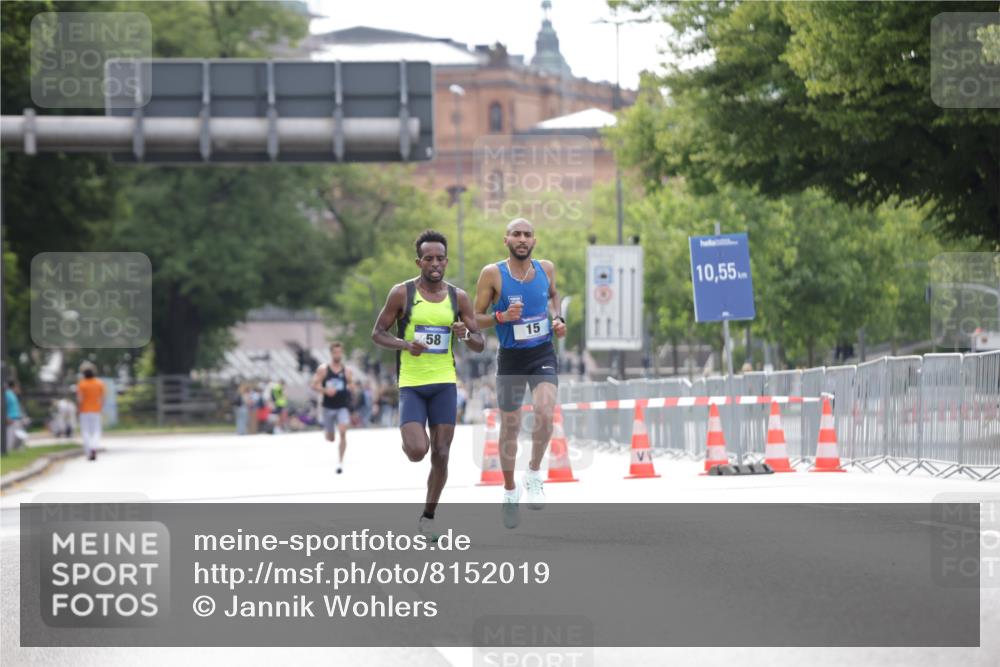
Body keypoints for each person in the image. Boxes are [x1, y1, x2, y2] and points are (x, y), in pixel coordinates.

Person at [372, 229, 484, 536]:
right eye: (428, 258)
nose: (434, 263)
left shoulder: (458, 297)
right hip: (411, 383)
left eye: (439, 258)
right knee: (417, 451)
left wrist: (466, 335)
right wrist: (405, 345)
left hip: (444, 382)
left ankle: (429, 516)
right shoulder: (402, 293)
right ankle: (409, 436)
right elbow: (377, 333)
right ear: (419, 261)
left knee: (442, 453)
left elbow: (479, 342)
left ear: (446, 261)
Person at [474, 218, 567, 528]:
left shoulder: (546, 268)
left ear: (534, 241)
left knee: (544, 412)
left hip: (542, 352)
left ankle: (535, 474)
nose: (522, 239)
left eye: (528, 234)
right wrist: (500, 316)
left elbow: (555, 296)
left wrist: (559, 318)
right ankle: (510, 491)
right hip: (511, 358)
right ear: (507, 240)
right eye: (516, 234)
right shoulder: (492, 274)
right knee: (510, 427)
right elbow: (475, 318)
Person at [311, 342, 353, 473]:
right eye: (335, 352)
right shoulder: (323, 369)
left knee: (342, 431)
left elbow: (352, 386)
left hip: (342, 406)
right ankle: (328, 431)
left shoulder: (347, 371)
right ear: (331, 353)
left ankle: (340, 462)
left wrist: (348, 388)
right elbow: (314, 385)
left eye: (340, 352)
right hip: (328, 407)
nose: (338, 355)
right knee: (331, 438)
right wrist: (325, 390)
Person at [76, 362, 106, 461]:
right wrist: (101, 408)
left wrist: (78, 409)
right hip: (96, 410)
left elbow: (80, 399)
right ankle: (94, 448)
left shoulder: (81, 384)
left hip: (84, 411)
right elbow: (103, 398)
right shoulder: (99, 383)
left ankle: (89, 451)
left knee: (86, 431)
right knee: (96, 431)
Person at [5, 380, 25, 451]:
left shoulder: (13, 395)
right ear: (14, 386)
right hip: (11, 418)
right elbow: (4, 407)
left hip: (17, 418)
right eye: (17, 386)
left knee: (20, 435)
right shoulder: (7, 394)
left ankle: (17, 449)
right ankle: (7, 450)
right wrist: (6, 417)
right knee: (10, 436)